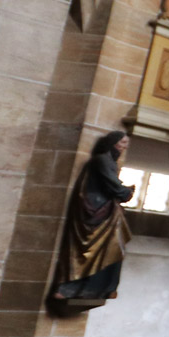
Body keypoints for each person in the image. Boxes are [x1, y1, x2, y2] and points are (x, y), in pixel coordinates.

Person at [47, 131, 136, 313]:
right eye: (122, 143)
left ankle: (102, 288)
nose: (124, 147)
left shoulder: (109, 161)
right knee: (92, 250)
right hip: (96, 210)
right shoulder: (102, 160)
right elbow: (111, 184)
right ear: (112, 143)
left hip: (107, 211)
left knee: (114, 248)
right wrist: (126, 192)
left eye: (126, 144)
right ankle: (70, 288)